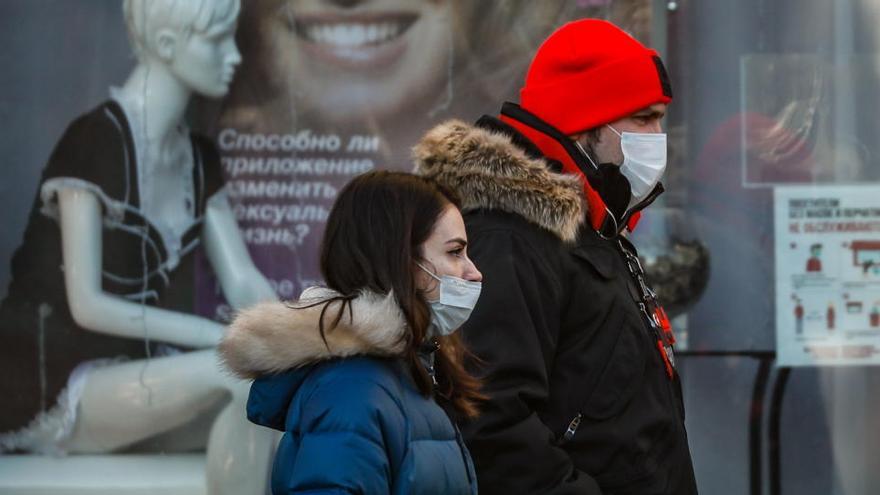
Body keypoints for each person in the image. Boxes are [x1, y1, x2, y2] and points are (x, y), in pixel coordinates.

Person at [413, 19, 698, 494]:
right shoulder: (513, 237)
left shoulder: (593, 225)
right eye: (644, 118)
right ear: (586, 124)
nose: (658, 134)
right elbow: (491, 417)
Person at [0, 1, 275, 493]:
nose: (233, 56)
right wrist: (214, 337)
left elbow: (241, 279)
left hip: (133, 377)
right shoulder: (95, 140)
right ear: (168, 45)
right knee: (242, 380)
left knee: (277, 390)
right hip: (55, 385)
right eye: (216, 39)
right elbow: (87, 305)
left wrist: (296, 335)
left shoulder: (197, 157)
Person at [219, 170, 484, 494]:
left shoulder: (403, 372)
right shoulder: (352, 389)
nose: (474, 272)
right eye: (455, 252)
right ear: (401, 259)